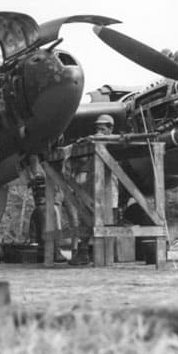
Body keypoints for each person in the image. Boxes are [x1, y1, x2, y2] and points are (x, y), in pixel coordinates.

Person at [68, 113, 118, 266]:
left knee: (109, 219)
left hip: (109, 188)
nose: (99, 132)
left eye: (102, 129)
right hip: (92, 187)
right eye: (97, 128)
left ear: (110, 129)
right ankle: (84, 252)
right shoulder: (91, 143)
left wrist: (93, 138)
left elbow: (113, 142)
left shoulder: (113, 141)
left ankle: (107, 255)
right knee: (86, 219)